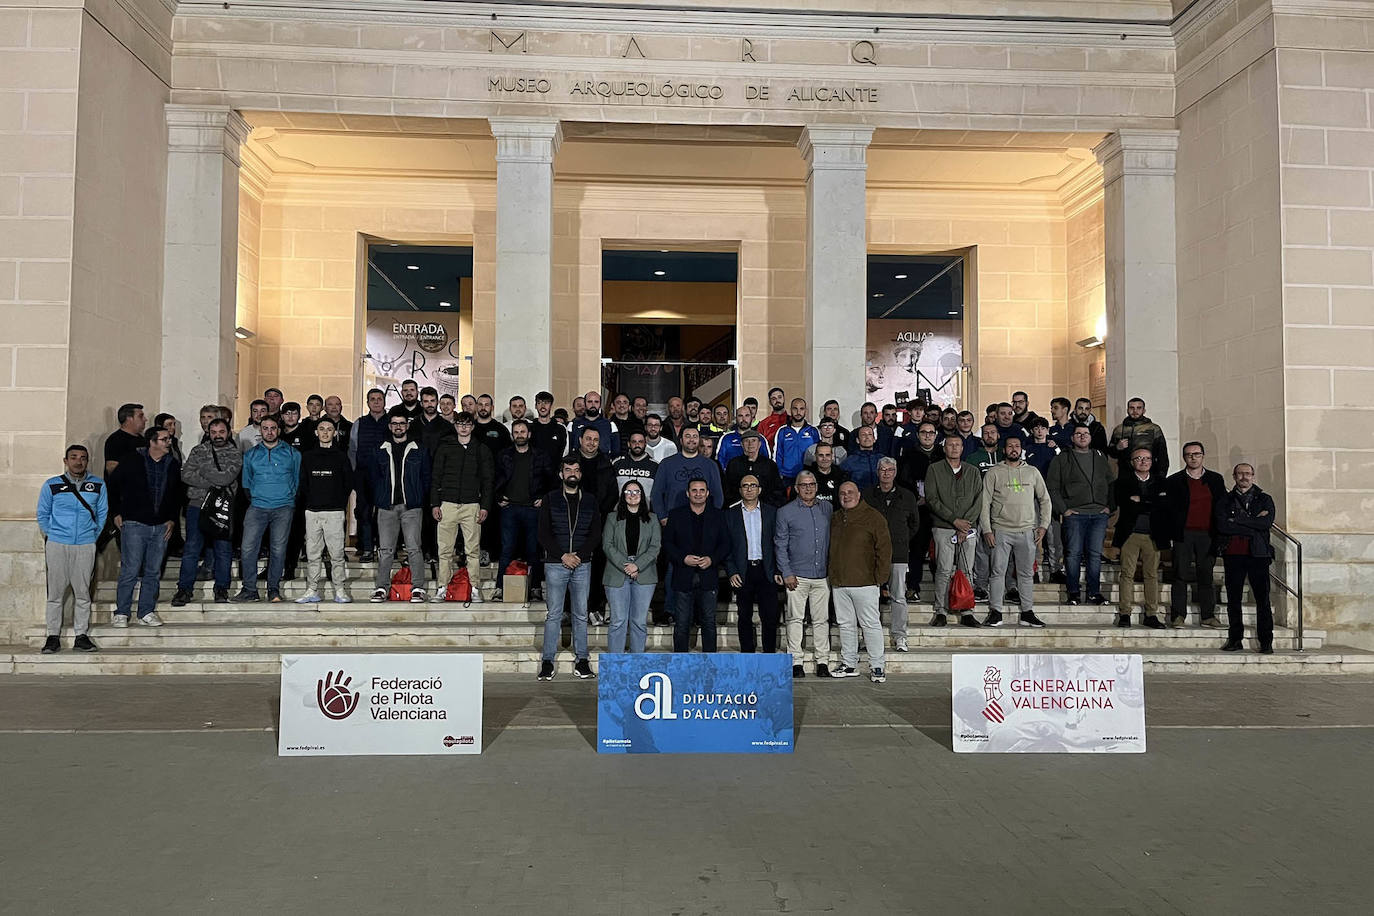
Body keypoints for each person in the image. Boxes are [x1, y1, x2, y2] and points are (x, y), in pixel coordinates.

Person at [109, 426, 181, 626]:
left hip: (160, 526)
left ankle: (146, 611)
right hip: (134, 523)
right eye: (164, 439)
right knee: (130, 570)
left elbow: (177, 496)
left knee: (153, 571)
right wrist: (115, 512)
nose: (169, 442)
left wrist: (172, 519)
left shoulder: (172, 464)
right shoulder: (132, 460)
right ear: (153, 441)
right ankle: (122, 612)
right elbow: (113, 486)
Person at [38, 445, 107, 653]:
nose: (79, 462)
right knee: (56, 593)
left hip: (85, 544)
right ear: (66, 461)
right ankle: (52, 636)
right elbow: (42, 513)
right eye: (74, 457)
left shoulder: (97, 485)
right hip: (58, 543)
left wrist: (91, 536)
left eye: (83, 458)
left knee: (83, 592)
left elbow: (102, 514)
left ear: (88, 461)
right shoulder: (52, 485)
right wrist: (54, 534)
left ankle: (81, 635)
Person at [979, 434, 1053, 628]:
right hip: (1000, 530)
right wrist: (987, 529)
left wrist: (1043, 525)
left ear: (1021, 449)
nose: (1014, 449)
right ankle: (996, 612)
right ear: (1004, 450)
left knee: (1026, 574)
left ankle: (1027, 612)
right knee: (997, 573)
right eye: (1010, 446)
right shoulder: (994, 472)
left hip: (1027, 531)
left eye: (1017, 446)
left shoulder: (1032, 472)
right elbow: (984, 502)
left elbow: (1045, 500)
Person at [537, 457, 600, 680]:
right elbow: (543, 534)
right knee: (554, 614)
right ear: (561, 474)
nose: (572, 473)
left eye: (576, 469)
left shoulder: (591, 500)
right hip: (556, 563)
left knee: (581, 614)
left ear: (580, 474)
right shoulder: (550, 499)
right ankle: (547, 661)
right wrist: (563, 555)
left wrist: (578, 556)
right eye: (567, 469)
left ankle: (582, 660)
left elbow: (595, 534)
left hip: (582, 564)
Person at [827, 482, 892, 682]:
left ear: (859, 494)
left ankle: (878, 665)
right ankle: (849, 663)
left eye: (850, 492)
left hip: (865, 582)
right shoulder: (836, 517)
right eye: (842, 493)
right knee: (846, 625)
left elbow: (884, 549)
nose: (846, 496)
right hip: (840, 582)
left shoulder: (873, 517)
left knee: (870, 624)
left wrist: (880, 579)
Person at [173, 418, 241, 606]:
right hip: (197, 505)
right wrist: (213, 482)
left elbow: (227, 477)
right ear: (208, 433)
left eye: (221, 431)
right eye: (214, 432)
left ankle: (221, 588)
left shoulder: (234, 453)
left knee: (223, 550)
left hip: (222, 507)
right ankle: (184, 589)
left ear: (228, 432)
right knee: (192, 549)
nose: (217, 435)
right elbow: (186, 474)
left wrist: (202, 471)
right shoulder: (198, 450)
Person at [1046, 424, 1115, 607]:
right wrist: (1064, 510)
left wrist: (1109, 506)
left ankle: (1094, 593)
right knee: (1073, 554)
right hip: (1075, 514)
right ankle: (1074, 593)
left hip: (1098, 514)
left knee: (1094, 555)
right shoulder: (1062, 459)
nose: (1082, 436)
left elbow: (1111, 483)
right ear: (1072, 438)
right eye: (1078, 434)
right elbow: (1052, 487)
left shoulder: (1099, 457)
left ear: (1090, 437)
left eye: (1086, 434)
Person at [774, 471, 834, 678]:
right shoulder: (785, 512)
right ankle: (795, 662)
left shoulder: (827, 508)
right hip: (796, 576)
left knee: (821, 620)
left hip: (822, 575)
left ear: (817, 487)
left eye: (812, 484)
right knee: (795, 619)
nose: (808, 488)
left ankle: (823, 661)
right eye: (804, 485)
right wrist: (786, 572)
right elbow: (780, 545)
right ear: (796, 488)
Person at [368, 410, 431, 603]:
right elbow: (373, 477)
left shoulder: (418, 448)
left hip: (411, 506)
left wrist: (419, 497)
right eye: (394, 423)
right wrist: (379, 498)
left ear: (407, 425)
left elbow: (426, 476)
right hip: (386, 507)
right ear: (389, 426)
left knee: (414, 548)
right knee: (386, 550)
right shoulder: (379, 449)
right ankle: (381, 587)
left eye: (402, 423)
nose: (398, 426)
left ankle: (418, 588)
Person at [430, 411, 494, 603]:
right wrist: (435, 503)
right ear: (455, 426)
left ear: (473, 426)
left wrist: (485, 506)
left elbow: (488, 481)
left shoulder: (481, 449)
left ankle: (475, 588)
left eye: (467, 424)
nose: (463, 427)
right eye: (460, 424)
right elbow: (435, 477)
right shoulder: (445, 447)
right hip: (447, 504)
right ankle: (442, 588)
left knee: (473, 550)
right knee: (445, 551)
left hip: (472, 505)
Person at [235, 416, 299, 603]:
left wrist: (287, 498)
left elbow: (296, 480)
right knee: (247, 549)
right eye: (265, 428)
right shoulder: (250, 455)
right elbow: (246, 483)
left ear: (278, 430)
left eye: (273, 428)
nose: (269, 431)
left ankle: (273, 589)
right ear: (260, 431)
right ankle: (249, 590)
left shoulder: (292, 453)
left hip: (283, 508)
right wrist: (258, 498)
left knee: (278, 550)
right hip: (257, 507)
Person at [1164, 441, 1227, 629]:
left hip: (1207, 534)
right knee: (1180, 575)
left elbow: (1222, 506)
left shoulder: (1215, 479)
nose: (1193, 457)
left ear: (1203, 456)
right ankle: (1178, 616)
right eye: (1189, 454)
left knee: (1206, 574)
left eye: (1197, 454)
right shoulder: (1174, 480)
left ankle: (1208, 616)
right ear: (1184, 458)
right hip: (1183, 534)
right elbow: (1168, 509)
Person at [662, 477, 729, 653]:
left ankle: (710, 662)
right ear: (687, 493)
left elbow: (726, 544)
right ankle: (681, 661)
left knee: (709, 622)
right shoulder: (676, 515)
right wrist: (683, 558)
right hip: (683, 575)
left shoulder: (718, 515)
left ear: (707, 493)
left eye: (701, 490)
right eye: (694, 490)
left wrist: (712, 559)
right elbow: (667, 543)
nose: (698, 494)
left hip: (709, 576)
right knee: (682, 623)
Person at [1216, 463, 1276, 654]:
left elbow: (1266, 523)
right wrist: (1253, 523)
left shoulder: (1264, 499)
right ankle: (1235, 639)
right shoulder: (1225, 500)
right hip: (1233, 554)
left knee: (1262, 599)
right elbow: (1223, 526)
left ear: (1253, 476)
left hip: (1258, 554)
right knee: (1234, 599)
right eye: (1240, 473)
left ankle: (1266, 641)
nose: (1244, 477)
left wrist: (1238, 520)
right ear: (1234, 476)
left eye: (1247, 474)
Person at [924, 435, 982, 628]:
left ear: (963, 448)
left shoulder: (973, 471)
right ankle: (941, 610)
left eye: (958, 445)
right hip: (944, 527)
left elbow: (979, 499)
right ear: (944, 447)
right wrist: (954, 520)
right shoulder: (934, 469)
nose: (954, 448)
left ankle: (966, 610)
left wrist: (967, 524)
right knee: (943, 570)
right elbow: (932, 499)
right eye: (950, 445)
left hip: (968, 529)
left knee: (967, 570)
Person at [295, 416, 353, 604]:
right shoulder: (308, 457)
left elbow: (347, 484)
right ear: (316, 432)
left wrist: (337, 502)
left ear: (335, 432)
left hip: (334, 512)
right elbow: (302, 483)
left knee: (337, 554)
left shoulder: (341, 456)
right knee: (313, 554)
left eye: (329, 429)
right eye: (322, 429)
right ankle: (312, 590)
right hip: (312, 511)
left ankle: (340, 590)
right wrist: (310, 501)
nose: (325, 432)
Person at [1111, 448, 1171, 628]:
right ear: (1132, 462)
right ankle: (1124, 614)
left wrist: (1142, 500)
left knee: (1151, 575)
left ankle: (1151, 614)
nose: (1143, 461)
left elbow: (1163, 505)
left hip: (1153, 535)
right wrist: (1151, 501)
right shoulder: (1123, 482)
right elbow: (1126, 505)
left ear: (1152, 461)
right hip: (1130, 534)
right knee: (1127, 574)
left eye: (1147, 458)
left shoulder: (1161, 482)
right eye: (1139, 458)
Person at [863, 458, 918, 651]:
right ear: (877, 472)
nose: (886, 473)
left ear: (895, 472)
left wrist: (900, 540)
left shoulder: (907, 496)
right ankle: (869, 637)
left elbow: (914, 524)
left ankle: (900, 636)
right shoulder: (867, 495)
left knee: (898, 596)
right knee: (870, 598)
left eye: (890, 470)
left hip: (898, 553)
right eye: (882, 470)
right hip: (872, 554)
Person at [494, 418, 552, 601]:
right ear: (512, 435)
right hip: (509, 508)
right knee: (506, 550)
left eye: (522, 432)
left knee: (533, 550)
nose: (520, 435)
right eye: (516, 432)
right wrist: (498, 497)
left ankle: (535, 588)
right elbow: (494, 478)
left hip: (532, 509)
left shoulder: (541, 455)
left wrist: (543, 498)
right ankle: (500, 588)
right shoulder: (504, 455)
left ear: (529, 434)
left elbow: (552, 480)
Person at [725, 474, 782, 653]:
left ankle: (769, 655)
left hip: (767, 570)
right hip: (743, 571)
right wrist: (732, 570)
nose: (749, 488)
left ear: (760, 489)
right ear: (740, 490)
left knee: (770, 617)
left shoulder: (772, 512)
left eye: (753, 485)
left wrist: (778, 569)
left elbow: (779, 543)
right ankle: (748, 654)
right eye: (745, 485)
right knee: (744, 616)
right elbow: (726, 546)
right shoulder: (730, 514)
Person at [602, 479, 659, 653]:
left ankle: (636, 663)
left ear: (642, 496)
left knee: (639, 621)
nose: (632, 495)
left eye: (636, 492)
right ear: (623, 495)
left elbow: (655, 546)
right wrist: (626, 566)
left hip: (645, 574)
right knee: (618, 620)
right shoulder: (612, 518)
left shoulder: (652, 519)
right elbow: (607, 545)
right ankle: (616, 663)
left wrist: (637, 566)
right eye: (628, 491)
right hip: (617, 573)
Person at [896, 421, 939, 600]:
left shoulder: (942, 454)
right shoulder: (909, 454)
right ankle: (913, 586)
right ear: (918, 435)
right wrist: (916, 499)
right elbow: (904, 480)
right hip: (919, 508)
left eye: (931, 432)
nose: (927, 435)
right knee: (916, 550)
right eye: (923, 432)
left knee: (940, 551)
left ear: (936, 435)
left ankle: (941, 589)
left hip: (940, 510)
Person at [348, 388, 390, 561]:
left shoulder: (391, 422)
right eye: (372, 399)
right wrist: (354, 474)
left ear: (384, 401)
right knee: (364, 513)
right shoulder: (359, 423)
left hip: (386, 476)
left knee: (385, 514)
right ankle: (366, 548)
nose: (376, 402)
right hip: (363, 475)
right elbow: (352, 450)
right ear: (367, 402)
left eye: (379, 399)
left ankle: (384, 548)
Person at [1023, 417, 1063, 583]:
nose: (1039, 431)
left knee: (1054, 535)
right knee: (1031, 534)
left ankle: (1055, 570)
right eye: (1036, 428)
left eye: (1043, 428)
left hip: (1051, 496)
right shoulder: (1027, 448)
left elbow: (1063, 468)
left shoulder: (1055, 448)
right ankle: (1032, 571)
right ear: (1032, 431)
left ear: (1048, 430)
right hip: (1031, 496)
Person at [651, 427, 723, 517]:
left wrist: (713, 516)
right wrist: (662, 516)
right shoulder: (666, 464)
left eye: (695, 436)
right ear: (681, 440)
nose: (691, 439)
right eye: (687, 436)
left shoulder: (711, 465)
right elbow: (656, 494)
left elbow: (718, 495)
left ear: (699, 440)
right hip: (672, 519)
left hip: (703, 520)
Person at [1108, 397, 1169, 477]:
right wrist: (1117, 447)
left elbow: (1162, 455)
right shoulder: (1119, 430)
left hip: (1149, 473)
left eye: (1139, 408)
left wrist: (1161, 476)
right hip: (1125, 474)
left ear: (1144, 410)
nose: (1135, 411)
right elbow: (1111, 453)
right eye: (1132, 408)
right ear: (1127, 410)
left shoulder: (1154, 428)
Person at [723, 430, 785, 507]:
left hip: (765, 507)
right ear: (741, 444)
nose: (750, 444)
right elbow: (728, 489)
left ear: (759, 444)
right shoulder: (733, 464)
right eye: (746, 441)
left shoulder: (770, 465)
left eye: (753, 440)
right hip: (738, 507)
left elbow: (777, 490)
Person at [773, 398, 820, 487]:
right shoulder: (782, 431)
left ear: (805, 411)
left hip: (807, 476)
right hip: (787, 477)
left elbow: (818, 453)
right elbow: (777, 455)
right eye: (795, 408)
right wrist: (779, 473)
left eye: (801, 409)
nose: (798, 412)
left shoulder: (813, 431)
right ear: (790, 410)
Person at [613, 431, 659, 506]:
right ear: (628, 444)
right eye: (634, 441)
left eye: (640, 442)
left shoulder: (655, 466)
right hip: (620, 512)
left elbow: (659, 493)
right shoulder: (617, 463)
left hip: (646, 512)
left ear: (645, 444)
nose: (637, 444)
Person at [104, 403, 147, 476]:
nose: (145, 419)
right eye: (141, 416)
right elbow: (111, 468)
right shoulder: (115, 440)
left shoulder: (143, 439)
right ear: (129, 418)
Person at [570, 390, 618, 455]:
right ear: (585, 404)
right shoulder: (573, 424)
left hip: (603, 463)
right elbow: (568, 449)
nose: (593, 405)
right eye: (590, 402)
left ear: (600, 404)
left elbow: (616, 451)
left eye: (596, 402)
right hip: (579, 463)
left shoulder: (610, 425)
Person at [529, 391, 568, 465]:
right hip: (533, 473)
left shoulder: (560, 428)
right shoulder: (529, 428)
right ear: (535, 406)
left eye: (546, 403)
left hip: (554, 473)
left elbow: (565, 453)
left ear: (551, 406)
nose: (542, 406)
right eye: (539, 403)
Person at [841, 424, 882, 492]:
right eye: (863, 434)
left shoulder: (882, 459)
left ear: (874, 439)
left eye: (870, 434)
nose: (867, 437)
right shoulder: (848, 462)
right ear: (857, 440)